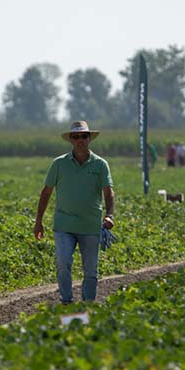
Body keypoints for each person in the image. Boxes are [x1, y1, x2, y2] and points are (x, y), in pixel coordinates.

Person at [34, 121, 115, 304]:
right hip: (64, 225)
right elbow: (46, 192)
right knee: (63, 263)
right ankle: (66, 302)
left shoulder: (100, 164)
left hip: (90, 226)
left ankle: (88, 305)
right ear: (71, 139)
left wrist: (110, 215)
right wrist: (38, 221)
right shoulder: (59, 164)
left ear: (89, 138)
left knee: (91, 271)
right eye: (76, 136)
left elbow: (108, 192)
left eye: (83, 136)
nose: (80, 140)